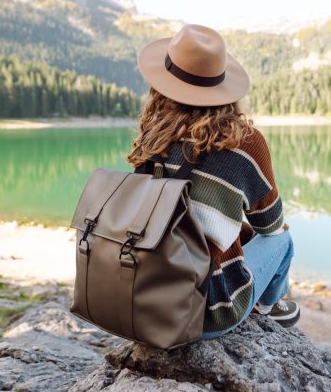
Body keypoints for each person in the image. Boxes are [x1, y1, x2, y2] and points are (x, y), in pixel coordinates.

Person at [127, 24, 300, 340]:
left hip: (144, 300)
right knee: (283, 242)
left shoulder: (151, 140)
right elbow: (270, 226)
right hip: (201, 314)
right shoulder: (245, 143)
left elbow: (173, 219)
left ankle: (265, 305)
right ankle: (267, 307)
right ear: (224, 91)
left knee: (237, 234)